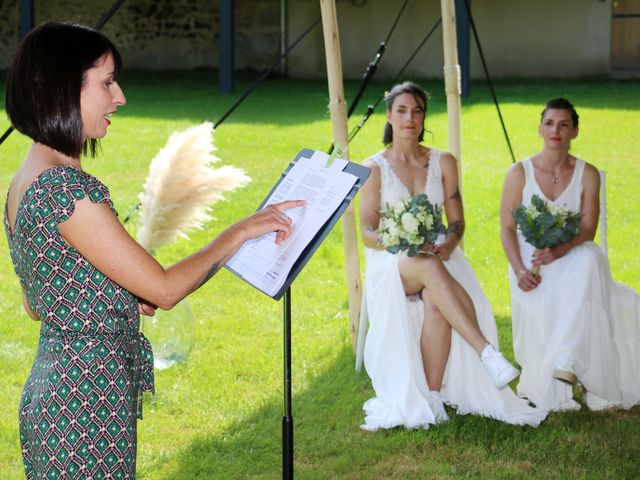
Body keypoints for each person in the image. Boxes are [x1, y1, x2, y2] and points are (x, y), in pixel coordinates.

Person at [3, 22, 303, 479]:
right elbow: (163, 290)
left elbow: (38, 302)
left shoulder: (24, 181)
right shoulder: (65, 188)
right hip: (86, 406)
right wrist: (241, 230)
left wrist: (115, 292)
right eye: (106, 82)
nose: (119, 97)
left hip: (59, 396)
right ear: (64, 88)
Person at [358, 81, 546, 431]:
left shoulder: (443, 161)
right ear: (389, 115)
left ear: (424, 117)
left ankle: (432, 395)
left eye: (416, 111)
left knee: (434, 297)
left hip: (437, 253)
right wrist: (396, 236)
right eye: (401, 111)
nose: (409, 119)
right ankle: (487, 353)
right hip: (391, 262)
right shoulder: (373, 168)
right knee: (428, 267)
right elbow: (367, 232)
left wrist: (448, 244)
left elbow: (457, 221)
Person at [500, 97, 640, 412]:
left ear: (575, 132)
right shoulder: (518, 172)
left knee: (590, 259)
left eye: (564, 125)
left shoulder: (587, 174)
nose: (556, 130)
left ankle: (569, 362)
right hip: (529, 258)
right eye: (549, 123)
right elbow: (507, 229)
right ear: (539, 128)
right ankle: (560, 375)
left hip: (570, 250)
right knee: (577, 275)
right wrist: (521, 269)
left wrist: (560, 249)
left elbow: (588, 228)